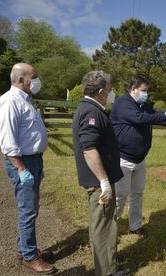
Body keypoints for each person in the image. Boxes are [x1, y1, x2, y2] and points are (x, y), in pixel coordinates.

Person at [110, 75, 166, 237]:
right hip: (123, 159)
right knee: (120, 196)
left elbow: (159, 119)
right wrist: (164, 115)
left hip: (140, 159)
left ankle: (135, 225)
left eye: (147, 91)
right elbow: (139, 119)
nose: (146, 94)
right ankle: (109, 230)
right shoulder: (123, 102)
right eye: (143, 90)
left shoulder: (143, 105)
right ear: (133, 89)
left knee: (137, 193)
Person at [0, 63, 56, 274]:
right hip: (23, 162)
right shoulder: (9, 102)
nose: (37, 81)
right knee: (27, 210)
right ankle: (29, 257)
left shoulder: (25, 101)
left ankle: (24, 248)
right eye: (34, 76)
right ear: (21, 79)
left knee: (32, 208)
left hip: (34, 160)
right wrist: (21, 168)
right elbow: (8, 141)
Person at [72, 70, 128, 276]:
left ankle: (106, 259)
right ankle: (107, 271)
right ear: (102, 91)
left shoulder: (90, 107)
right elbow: (89, 148)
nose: (112, 93)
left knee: (101, 223)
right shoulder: (92, 112)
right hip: (98, 182)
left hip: (97, 180)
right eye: (111, 90)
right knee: (104, 225)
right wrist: (104, 181)